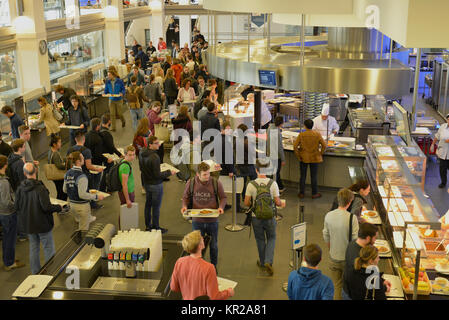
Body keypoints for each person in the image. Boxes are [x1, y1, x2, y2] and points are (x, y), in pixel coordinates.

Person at [15, 162, 63, 274]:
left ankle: (35, 272)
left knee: (33, 248)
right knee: (48, 247)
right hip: (42, 224)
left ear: (24, 173)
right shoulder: (40, 188)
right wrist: (59, 207)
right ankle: (52, 272)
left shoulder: (20, 189)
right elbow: (46, 207)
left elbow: (17, 206)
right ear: (36, 171)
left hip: (29, 224)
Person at [181, 162, 227, 271]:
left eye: (208, 174)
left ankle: (213, 267)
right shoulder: (191, 183)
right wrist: (184, 206)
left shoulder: (216, 183)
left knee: (214, 245)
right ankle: (198, 267)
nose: (207, 177)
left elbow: (223, 198)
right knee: (197, 245)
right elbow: (185, 197)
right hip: (197, 220)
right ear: (198, 174)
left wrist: (221, 207)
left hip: (212, 220)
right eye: (204, 175)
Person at [244, 160, 285, 276]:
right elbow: (277, 202)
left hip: (256, 217)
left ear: (256, 170)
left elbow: (246, 203)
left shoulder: (251, 185)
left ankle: (262, 262)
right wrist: (282, 203)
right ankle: (268, 261)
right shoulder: (273, 184)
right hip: (270, 217)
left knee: (260, 239)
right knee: (272, 237)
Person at [170, 230, 234, 300]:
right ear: (200, 246)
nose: (203, 238)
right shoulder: (209, 268)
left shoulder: (179, 262)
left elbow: (173, 287)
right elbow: (214, 297)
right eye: (201, 238)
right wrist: (228, 292)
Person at [322, 188, 359, 300]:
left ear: (338, 200)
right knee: (349, 287)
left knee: (336, 286)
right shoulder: (352, 218)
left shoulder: (329, 215)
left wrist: (331, 249)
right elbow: (355, 240)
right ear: (350, 202)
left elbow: (326, 236)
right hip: (347, 259)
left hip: (334, 257)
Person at [139, 136, 175, 233]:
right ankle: (156, 227)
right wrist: (169, 173)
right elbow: (158, 175)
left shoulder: (141, 152)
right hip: (156, 185)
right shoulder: (155, 157)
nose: (159, 144)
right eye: (156, 143)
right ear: (150, 144)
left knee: (148, 205)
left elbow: (141, 169)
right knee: (156, 207)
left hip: (146, 183)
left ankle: (148, 226)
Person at [64, 151, 104, 231]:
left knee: (81, 222)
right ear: (78, 161)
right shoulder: (81, 176)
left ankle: (89, 218)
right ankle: (81, 242)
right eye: (82, 158)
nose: (84, 159)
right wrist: (96, 196)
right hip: (82, 206)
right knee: (83, 230)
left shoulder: (67, 173)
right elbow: (82, 194)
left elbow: (65, 190)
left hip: (72, 204)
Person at [0, 155, 25, 271]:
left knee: (6, 238)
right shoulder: (4, 182)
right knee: (10, 239)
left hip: (2, 213)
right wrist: (16, 205)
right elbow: (6, 201)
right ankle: (9, 263)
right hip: (8, 214)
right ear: (5, 165)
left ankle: (8, 259)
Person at [342, 223, 378, 300]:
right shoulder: (359, 257)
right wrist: (382, 287)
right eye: (375, 238)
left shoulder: (353, 243)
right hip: (352, 294)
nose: (375, 241)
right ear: (368, 238)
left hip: (347, 288)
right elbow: (363, 281)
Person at [293, 119, 326, 199]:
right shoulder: (317, 134)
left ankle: (301, 193)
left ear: (305, 126)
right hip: (314, 157)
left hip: (304, 158)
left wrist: (298, 156)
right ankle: (314, 193)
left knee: (303, 176)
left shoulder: (301, 135)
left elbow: (295, 146)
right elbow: (324, 145)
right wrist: (320, 153)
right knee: (314, 176)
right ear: (312, 126)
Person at [84, 118, 110, 209]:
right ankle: (94, 203)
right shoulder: (98, 139)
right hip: (96, 165)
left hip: (88, 163)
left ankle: (89, 201)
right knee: (95, 185)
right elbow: (98, 154)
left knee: (89, 184)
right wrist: (106, 159)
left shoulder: (86, 135)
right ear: (98, 126)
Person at [104, 67, 126, 131]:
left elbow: (123, 89)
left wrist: (122, 93)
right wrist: (105, 93)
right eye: (107, 75)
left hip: (119, 99)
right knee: (112, 114)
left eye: (109, 75)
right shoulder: (107, 82)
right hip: (111, 99)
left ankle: (123, 120)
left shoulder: (119, 81)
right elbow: (106, 90)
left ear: (113, 75)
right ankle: (113, 127)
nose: (108, 76)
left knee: (119, 113)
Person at [267, 116, 286, 193]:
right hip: (276, 156)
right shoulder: (277, 133)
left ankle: (279, 186)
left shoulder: (269, 128)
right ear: (281, 123)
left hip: (269, 154)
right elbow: (280, 147)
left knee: (274, 172)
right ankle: (276, 189)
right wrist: (283, 159)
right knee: (276, 173)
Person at [430, 113, 449, 188]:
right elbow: (437, 136)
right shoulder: (443, 126)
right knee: (442, 169)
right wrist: (432, 144)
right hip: (443, 151)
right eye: (448, 119)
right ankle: (443, 182)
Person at [48, 134, 67, 201]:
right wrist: (66, 164)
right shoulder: (55, 153)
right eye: (59, 142)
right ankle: (62, 207)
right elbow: (59, 166)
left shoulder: (50, 151)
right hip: (58, 176)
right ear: (54, 144)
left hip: (54, 175)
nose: (60, 144)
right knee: (62, 192)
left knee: (59, 191)